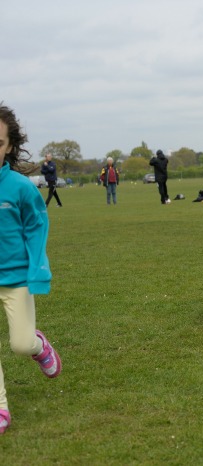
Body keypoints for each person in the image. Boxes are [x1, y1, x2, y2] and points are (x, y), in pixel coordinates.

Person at [0, 104, 62, 435]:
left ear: (9, 146)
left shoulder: (21, 188)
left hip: (17, 278)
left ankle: (38, 346)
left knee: (20, 345)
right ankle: (1, 409)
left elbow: (37, 229)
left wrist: (38, 272)